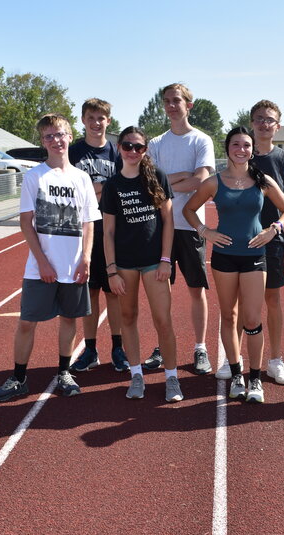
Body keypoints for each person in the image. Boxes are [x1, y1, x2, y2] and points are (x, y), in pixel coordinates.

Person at [0, 114, 98, 402]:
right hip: (41, 266)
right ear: (43, 141)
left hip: (73, 266)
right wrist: (43, 262)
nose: (56, 140)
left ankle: (64, 372)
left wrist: (85, 258)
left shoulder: (82, 178)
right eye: (49, 136)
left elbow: (88, 222)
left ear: (70, 136)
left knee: (69, 320)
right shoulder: (34, 176)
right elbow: (27, 223)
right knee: (26, 322)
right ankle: (19, 377)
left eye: (60, 134)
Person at [184, 126, 284, 403]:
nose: (241, 149)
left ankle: (255, 378)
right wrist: (205, 231)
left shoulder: (262, 180)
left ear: (252, 150)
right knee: (229, 316)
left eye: (246, 145)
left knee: (252, 318)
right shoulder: (213, 181)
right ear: (228, 148)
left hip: (256, 256)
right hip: (224, 257)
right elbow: (188, 209)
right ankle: (236, 374)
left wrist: (274, 229)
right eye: (236, 144)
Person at [212, 100, 284, 385]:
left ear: (277, 125)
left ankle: (274, 361)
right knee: (231, 309)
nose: (264, 123)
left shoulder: (283, 159)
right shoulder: (235, 164)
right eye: (258, 118)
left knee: (268, 303)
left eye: (269, 119)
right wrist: (204, 230)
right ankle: (232, 361)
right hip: (234, 243)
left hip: (267, 241)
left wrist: (283, 237)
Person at [101, 127, 182, 402]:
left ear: (145, 150)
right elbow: (108, 232)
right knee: (128, 319)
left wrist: (166, 260)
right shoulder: (112, 185)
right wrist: (111, 270)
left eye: (138, 147)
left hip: (154, 263)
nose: (133, 151)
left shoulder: (156, 177)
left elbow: (168, 222)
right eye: (127, 146)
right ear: (120, 148)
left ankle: (171, 378)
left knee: (163, 321)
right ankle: (136, 375)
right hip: (124, 264)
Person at [144, 83, 216, 376]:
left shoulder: (201, 140)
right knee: (162, 290)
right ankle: (163, 346)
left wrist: (166, 183)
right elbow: (149, 184)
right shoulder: (156, 142)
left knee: (196, 290)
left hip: (190, 227)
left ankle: (200, 348)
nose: (171, 105)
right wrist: (181, 178)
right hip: (160, 228)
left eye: (177, 101)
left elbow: (201, 180)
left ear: (189, 105)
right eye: (167, 101)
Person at [68, 98, 130, 374]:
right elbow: (70, 189)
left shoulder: (116, 152)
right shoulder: (73, 152)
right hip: (81, 230)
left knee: (113, 291)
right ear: (83, 120)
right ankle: (90, 349)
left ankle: (118, 347)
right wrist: (97, 190)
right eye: (91, 117)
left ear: (108, 121)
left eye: (101, 118)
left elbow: (120, 188)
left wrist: (95, 190)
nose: (96, 123)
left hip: (112, 229)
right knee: (89, 292)